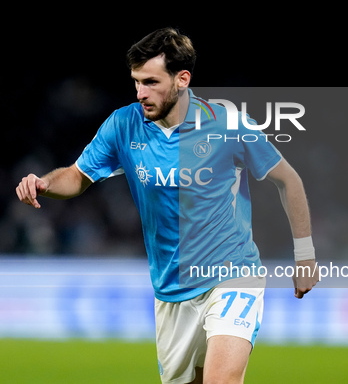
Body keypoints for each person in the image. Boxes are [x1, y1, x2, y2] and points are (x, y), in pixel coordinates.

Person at [16, 27, 319, 384]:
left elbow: (289, 180)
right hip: (171, 290)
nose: (141, 92)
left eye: (151, 82)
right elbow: (78, 176)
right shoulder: (123, 125)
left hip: (233, 274)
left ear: (182, 79)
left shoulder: (227, 124)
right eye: (136, 82)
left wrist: (305, 255)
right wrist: (45, 183)